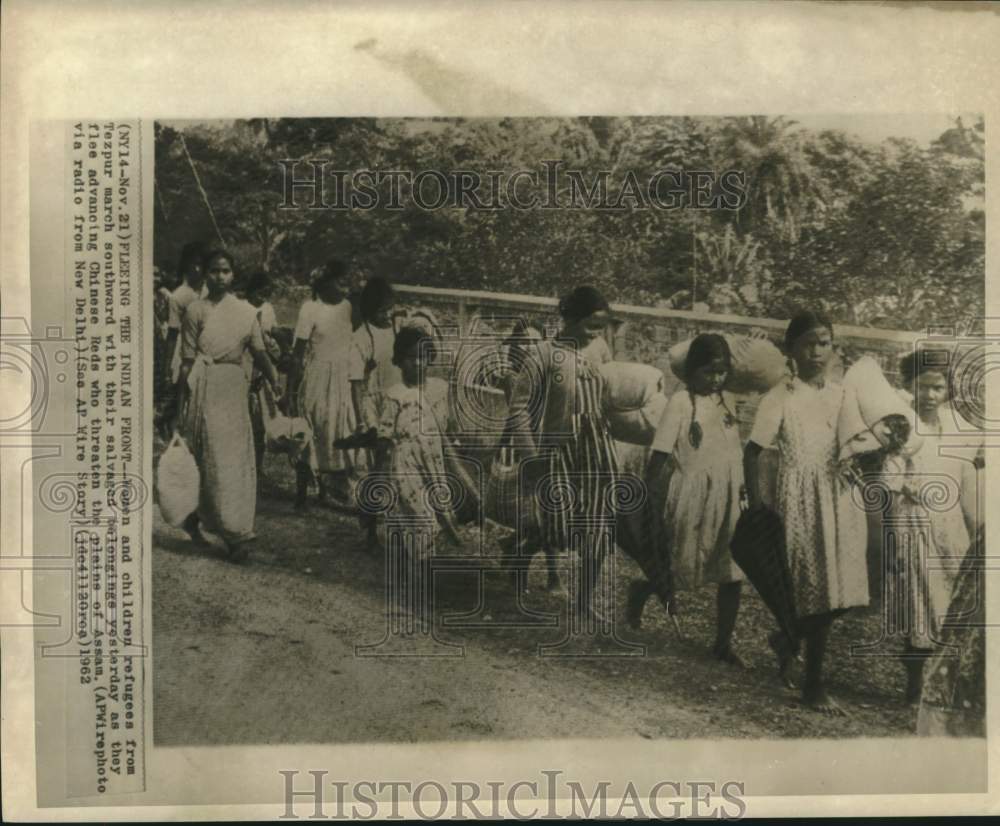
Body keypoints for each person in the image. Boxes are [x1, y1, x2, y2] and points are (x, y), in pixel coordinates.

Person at [743, 311, 869, 715]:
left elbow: (857, 439)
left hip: (839, 496)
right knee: (816, 593)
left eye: (825, 343)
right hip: (799, 496)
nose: (817, 352)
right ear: (791, 350)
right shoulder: (781, 396)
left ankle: (788, 638)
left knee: (844, 591)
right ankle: (813, 687)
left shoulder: (842, 394)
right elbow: (753, 452)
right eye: (808, 344)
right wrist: (758, 502)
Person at [507, 285, 618, 623]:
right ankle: (519, 555)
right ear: (569, 318)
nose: (596, 332)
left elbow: (610, 396)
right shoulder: (542, 354)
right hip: (558, 451)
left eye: (602, 325)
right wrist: (531, 456)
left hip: (597, 449)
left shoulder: (600, 350)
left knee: (599, 524)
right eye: (590, 323)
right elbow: (519, 408)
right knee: (559, 528)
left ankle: (583, 601)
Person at [638, 334, 746, 665]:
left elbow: (733, 449)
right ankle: (637, 596)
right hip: (691, 496)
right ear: (691, 372)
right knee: (678, 567)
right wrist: (647, 498)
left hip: (728, 495)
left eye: (721, 371)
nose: (715, 379)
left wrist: (742, 490)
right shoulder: (681, 403)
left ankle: (723, 642)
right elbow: (659, 453)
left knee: (732, 572)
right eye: (708, 372)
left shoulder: (727, 400)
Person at [886, 349, 982, 704]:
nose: (929, 395)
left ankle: (943, 682)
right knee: (918, 603)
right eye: (922, 387)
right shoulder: (900, 425)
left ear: (947, 390)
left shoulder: (959, 429)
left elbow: (967, 481)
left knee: (950, 602)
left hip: (950, 524)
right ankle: (914, 683)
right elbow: (891, 480)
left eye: (937, 387)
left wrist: (976, 532)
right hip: (912, 520)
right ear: (908, 386)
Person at [175, 249, 279, 562]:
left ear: (233, 275)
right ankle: (222, 530)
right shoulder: (196, 310)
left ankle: (235, 530)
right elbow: (187, 361)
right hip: (204, 386)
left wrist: (275, 382)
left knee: (233, 459)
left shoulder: (246, 312)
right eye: (214, 271)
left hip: (234, 389)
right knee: (211, 459)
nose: (220, 277)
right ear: (204, 273)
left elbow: (259, 352)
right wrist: (181, 403)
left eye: (225, 271)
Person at [369, 327, 462, 623]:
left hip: (431, 465)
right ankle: (410, 592)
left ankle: (417, 590)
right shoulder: (394, 396)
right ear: (399, 361)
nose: (418, 365)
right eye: (411, 359)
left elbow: (447, 432)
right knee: (418, 523)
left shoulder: (438, 391)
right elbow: (384, 438)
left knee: (424, 528)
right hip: (404, 466)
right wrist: (380, 475)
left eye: (424, 358)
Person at [289, 259, 358, 510]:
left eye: (346, 282)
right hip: (318, 376)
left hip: (343, 378)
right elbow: (297, 353)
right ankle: (301, 493)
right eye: (340, 282)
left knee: (342, 430)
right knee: (312, 430)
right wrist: (290, 391)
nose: (345, 287)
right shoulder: (310, 309)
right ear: (324, 283)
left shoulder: (348, 307)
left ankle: (336, 491)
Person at [349, 276, 401, 548]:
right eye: (382, 310)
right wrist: (362, 419)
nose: (387, 314)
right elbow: (356, 383)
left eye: (390, 308)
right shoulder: (361, 337)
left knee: (396, 465)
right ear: (370, 311)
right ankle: (369, 525)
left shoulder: (396, 331)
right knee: (374, 466)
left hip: (396, 404)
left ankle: (394, 522)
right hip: (372, 405)